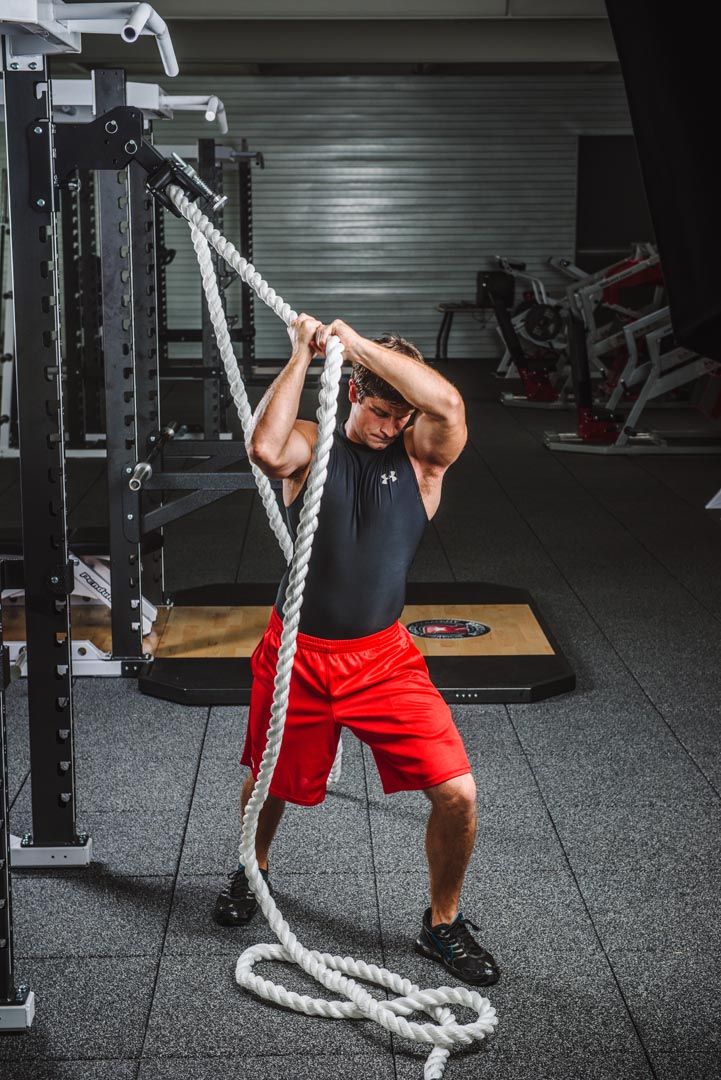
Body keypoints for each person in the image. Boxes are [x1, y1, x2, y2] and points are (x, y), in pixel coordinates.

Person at [214, 314, 500, 987]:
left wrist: (353, 340)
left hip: (383, 660)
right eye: (379, 410)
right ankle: (251, 870)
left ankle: (442, 925)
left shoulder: (423, 459)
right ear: (350, 393)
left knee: (457, 794)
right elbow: (263, 447)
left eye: (402, 414)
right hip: (298, 655)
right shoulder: (313, 448)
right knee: (269, 781)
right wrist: (303, 356)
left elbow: (449, 404)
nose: (391, 425)